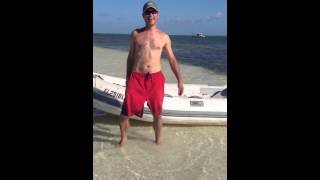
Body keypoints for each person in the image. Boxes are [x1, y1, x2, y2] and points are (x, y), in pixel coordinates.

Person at [117, 1, 184, 146]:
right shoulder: (136, 34)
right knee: (124, 114)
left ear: (158, 15)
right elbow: (131, 57)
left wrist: (180, 80)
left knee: (157, 115)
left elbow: (172, 59)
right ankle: (123, 139)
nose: (150, 15)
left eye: (153, 12)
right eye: (147, 12)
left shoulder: (164, 37)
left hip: (155, 78)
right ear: (143, 15)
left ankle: (157, 143)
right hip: (137, 78)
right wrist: (128, 78)